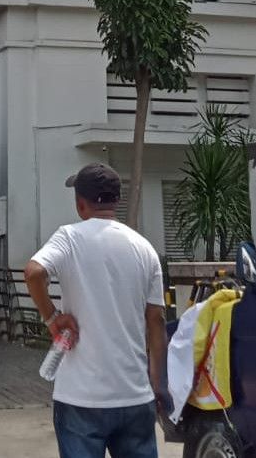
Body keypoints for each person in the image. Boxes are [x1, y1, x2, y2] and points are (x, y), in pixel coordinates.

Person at [25, 163, 169, 458]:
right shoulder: (145, 249)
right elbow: (156, 321)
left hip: (80, 399)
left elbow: (34, 272)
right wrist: (158, 386)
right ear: (117, 201)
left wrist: (52, 318)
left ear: (81, 204)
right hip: (134, 397)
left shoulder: (69, 237)